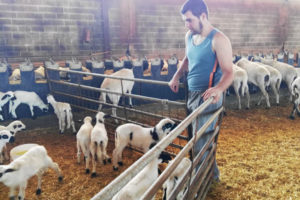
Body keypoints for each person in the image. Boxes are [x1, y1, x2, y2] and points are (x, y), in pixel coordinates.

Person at [168, 0, 233, 182]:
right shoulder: (189, 36)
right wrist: (176, 76)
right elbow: (187, 59)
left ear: (203, 16)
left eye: (189, 20)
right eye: (185, 21)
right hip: (192, 93)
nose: (187, 25)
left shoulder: (219, 39)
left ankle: (199, 182)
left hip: (209, 96)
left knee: (200, 142)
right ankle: (213, 176)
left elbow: (229, 72)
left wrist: (218, 89)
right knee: (195, 139)